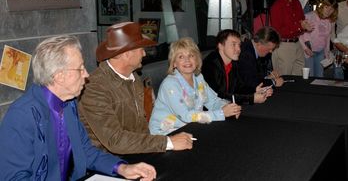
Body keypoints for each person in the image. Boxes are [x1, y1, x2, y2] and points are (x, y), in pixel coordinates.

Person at [0, 35, 156, 181]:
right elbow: (13, 177)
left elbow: (86, 152)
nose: (86, 75)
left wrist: (122, 168)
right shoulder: (22, 116)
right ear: (59, 76)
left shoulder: (68, 103)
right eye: (80, 69)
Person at [78, 22, 193, 155]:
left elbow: (140, 128)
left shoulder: (133, 77)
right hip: (109, 163)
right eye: (141, 49)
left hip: (138, 152)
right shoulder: (94, 88)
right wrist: (168, 142)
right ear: (126, 53)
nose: (144, 54)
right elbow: (115, 141)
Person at [149, 37, 242, 135]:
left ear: (197, 60)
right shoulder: (170, 84)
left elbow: (212, 101)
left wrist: (229, 108)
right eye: (181, 57)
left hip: (191, 129)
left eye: (191, 55)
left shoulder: (198, 78)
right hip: (165, 134)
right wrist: (222, 113)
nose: (187, 60)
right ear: (174, 63)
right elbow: (185, 116)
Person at [202, 29, 272, 106]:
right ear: (221, 46)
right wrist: (251, 98)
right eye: (233, 44)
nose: (238, 49)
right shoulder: (210, 65)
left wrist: (255, 90)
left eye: (239, 45)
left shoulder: (233, 63)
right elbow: (219, 96)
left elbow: (238, 88)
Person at [270, 0, 314, 76]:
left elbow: (301, 21)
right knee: (283, 79)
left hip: (297, 43)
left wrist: (304, 25)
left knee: (298, 78)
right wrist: (300, 26)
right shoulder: (277, 6)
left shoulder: (296, 2)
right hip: (283, 45)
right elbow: (278, 31)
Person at [299, 0, 338, 77]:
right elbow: (299, 34)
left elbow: (327, 38)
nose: (328, 11)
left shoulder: (329, 21)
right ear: (322, 6)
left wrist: (326, 53)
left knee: (319, 76)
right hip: (308, 52)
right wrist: (305, 48)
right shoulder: (309, 16)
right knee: (309, 76)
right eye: (327, 7)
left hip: (320, 52)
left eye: (331, 9)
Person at [238, 26, 283, 94]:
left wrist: (267, 76)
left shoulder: (251, 50)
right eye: (269, 48)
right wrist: (274, 82)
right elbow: (250, 82)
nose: (271, 51)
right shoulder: (246, 54)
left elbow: (255, 74)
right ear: (259, 44)